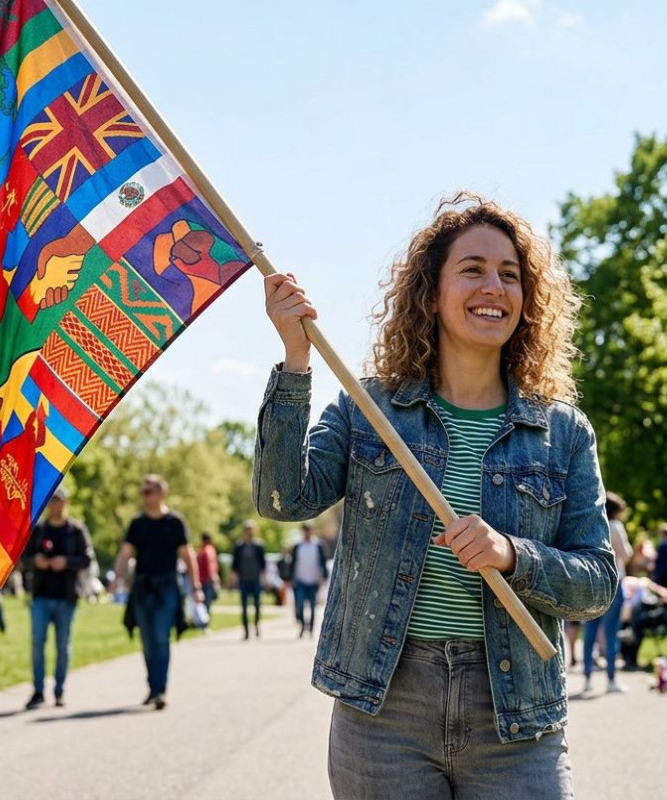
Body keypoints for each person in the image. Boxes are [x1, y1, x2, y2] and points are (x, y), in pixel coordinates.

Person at [255, 193, 618, 798]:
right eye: (472, 269)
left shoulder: (563, 432)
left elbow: (597, 582)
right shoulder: (368, 409)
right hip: (384, 708)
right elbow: (281, 499)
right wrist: (296, 360)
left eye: (510, 275)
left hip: (516, 713)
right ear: (430, 292)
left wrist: (512, 553)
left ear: (528, 302)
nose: (493, 287)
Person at [114, 474, 203, 710]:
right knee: (147, 640)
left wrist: (196, 588)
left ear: (161, 493)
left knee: (161, 639)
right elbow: (125, 554)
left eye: (149, 491)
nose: (145, 496)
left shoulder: (175, 522)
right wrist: (117, 577)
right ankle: (153, 686)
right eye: (142, 492)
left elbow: (187, 555)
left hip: (167, 588)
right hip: (142, 588)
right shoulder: (137, 524)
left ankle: (160, 690)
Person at [23, 485, 94, 709]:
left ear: (66, 503)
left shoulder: (75, 530)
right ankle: (38, 691)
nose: (55, 504)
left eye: (58, 500)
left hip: (66, 596)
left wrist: (67, 562)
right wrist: (37, 561)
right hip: (41, 596)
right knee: (37, 644)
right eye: (51, 500)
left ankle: (59, 690)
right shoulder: (39, 529)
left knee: (63, 646)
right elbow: (23, 557)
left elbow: (87, 559)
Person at [582, 492, 634, 694]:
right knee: (611, 632)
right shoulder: (615, 527)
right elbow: (626, 554)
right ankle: (611, 679)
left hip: (593, 582)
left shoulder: (592, 523)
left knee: (590, 633)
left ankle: (587, 678)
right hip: (613, 582)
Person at [291, 522, 329, 638]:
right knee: (300, 604)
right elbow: (293, 563)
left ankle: (311, 629)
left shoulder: (318, 545)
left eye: (309, 530)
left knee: (313, 606)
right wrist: (292, 578)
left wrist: (323, 577)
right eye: (305, 531)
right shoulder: (298, 546)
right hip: (300, 579)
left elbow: (323, 562)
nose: (307, 533)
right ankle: (302, 626)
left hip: (314, 580)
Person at [232, 520, 266, 639]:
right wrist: (234, 579)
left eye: (251, 529)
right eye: (247, 529)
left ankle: (256, 624)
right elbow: (235, 565)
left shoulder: (259, 546)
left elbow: (263, 565)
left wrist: (264, 579)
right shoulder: (239, 547)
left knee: (257, 605)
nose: (249, 532)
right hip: (244, 580)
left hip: (256, 580)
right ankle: (246, 630)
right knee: (244, 606)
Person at [196, 533, 221, 627]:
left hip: (204, 579)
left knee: (205, 602)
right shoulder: (210, 550)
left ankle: (204, 623)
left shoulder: (203, 550)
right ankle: (204, 622)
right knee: (207, 602)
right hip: (207, 579)